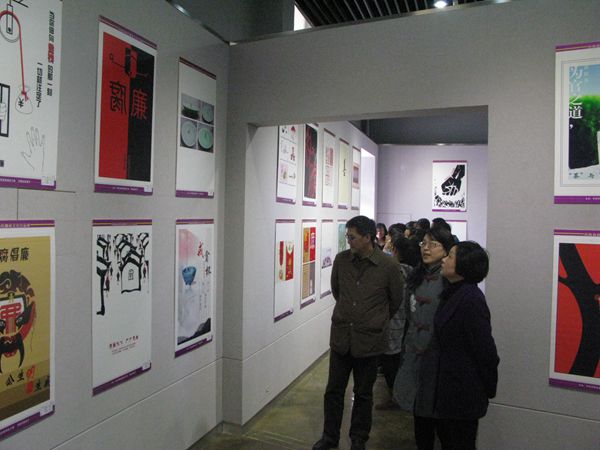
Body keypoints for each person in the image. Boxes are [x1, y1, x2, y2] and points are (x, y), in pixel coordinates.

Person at [313, 216, 405, 450]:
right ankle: (329, 437)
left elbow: (395, 301)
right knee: (333, 391)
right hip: (342, 338)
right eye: (348, 237)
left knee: (363, 393)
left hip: (369, 341)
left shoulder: (388, 266)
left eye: (352, 237)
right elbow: (337, 291)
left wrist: (374, 319)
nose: (349, 241)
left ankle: (358, 438)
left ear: (367, 237)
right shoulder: (341, 261)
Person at [431, 241, 499, 449]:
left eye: (450, 256)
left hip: (463, 392)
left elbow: (485, 351)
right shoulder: (453, 292)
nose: (444, 260)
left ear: (464, 265)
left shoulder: (471, 299)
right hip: (449, 389)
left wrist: (487, 388)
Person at [392, 227, 455, 450]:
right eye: (424, 244)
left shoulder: (450, 281)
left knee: (443, 425)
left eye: (433, 244)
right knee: (420, 420)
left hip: (439, 360)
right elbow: (409, 316)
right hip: (415, 356)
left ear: (446, 250)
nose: (426, 248)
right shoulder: (416, 276)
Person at [376, 234, 420, 410]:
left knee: (391, 362)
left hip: (394, 323)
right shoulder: (414, 271)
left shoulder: (397, 270)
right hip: (406, 323)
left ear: (395, 250)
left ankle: (396, 397)